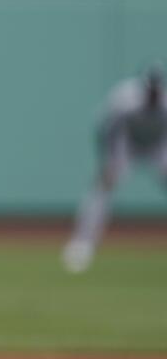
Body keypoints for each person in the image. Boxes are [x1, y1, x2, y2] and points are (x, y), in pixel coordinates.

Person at [63, 65, 166, 273]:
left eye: (156, 89)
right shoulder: (125, 97)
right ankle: (83, 243)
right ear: (142, 86)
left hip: (158, 145)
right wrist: (109, 162)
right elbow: (105, 128)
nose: (152, 94)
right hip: (126, 144)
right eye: (149, 90)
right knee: (103, 186)